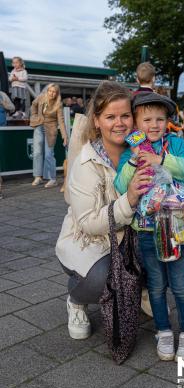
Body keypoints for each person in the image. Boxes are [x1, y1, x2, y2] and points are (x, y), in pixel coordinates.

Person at [56, 81, 150, 340]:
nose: (119, 123)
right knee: (102, 278)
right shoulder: (86, 163)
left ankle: (138, 289)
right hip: (90, 241)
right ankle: (76, 298)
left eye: (125, 115)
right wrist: (129, 199)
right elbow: (89, 223)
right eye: (110, 117)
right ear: (96, 121)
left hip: (131, 238)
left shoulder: (142, 150)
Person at [114, 91, 184, 362]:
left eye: (160, 119)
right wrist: (133, 161)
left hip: (176, 229)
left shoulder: (174, 144)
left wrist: (161, 160)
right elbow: (120, 186)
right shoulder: (131, 152)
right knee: (156, 285)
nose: (153, 125)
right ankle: (162, 330)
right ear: (136, 125)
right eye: (147, 119)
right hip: (147, 230)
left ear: (167, 121)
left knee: (180, 285)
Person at [30, 83, 68, 188]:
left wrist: (65, 136)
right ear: (47, 91)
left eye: (54, 92)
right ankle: (38, 176)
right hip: (39, 125)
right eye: (50, 91)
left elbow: (61, 120)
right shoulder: (41, 97)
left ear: (57, 93)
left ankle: (52, 179)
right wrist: (34, 116)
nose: (52, 93)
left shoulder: (58, 104)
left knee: (48, 154)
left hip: (51, 128)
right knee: (37, 152)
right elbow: (33, 104)